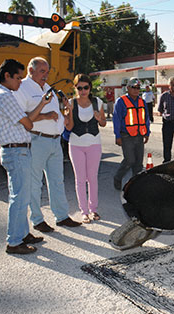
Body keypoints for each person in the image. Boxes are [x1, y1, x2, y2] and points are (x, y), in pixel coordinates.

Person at [0, 59, 50, 254]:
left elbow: (26, 120)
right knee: (20, 198)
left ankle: (22, 234)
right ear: (7, 76)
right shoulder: (4, 96)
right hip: (16, 151)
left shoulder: (0, 95)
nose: (20, 82)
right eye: (18, 77)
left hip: (15, 150)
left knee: (20, 195)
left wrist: (40, 106)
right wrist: (41, 105)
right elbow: (28, 124)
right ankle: (14, 241)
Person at [13, 57, 81, 233]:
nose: (46, 75)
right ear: (31, 71)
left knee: (57, 181)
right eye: (42, 71)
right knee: (35, 182)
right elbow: (20, 115)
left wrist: (66, 113)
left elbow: (57, 115)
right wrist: (45, 116)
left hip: (54, 141)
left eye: (47, 71)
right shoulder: (22, 88)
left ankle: (62, 216)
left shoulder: (48, 88)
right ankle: (37, 219)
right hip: (36, 140)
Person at [64, 74, 107, 224]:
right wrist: (67, 115)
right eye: (79, 88)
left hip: (94, 143)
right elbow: (69, 127)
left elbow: (103, 124)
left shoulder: (97, 102)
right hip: (76, 144)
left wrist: (99, 118)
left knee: (92, 178)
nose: (83, 91)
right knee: (80, 179)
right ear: (75, 88)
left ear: (90, 88)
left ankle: (93, 209)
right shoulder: (71, 103)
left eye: (86, 87)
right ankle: (84, 211)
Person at [112, 77, 150, 190]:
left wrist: (147, 132)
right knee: (130, 160)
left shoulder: (142, 102)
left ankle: (135, 185)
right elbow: (116, 119)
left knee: (138, 163)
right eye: (133, 87)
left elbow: (146, 118)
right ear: (128, 88)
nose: (136, 90)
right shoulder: (121, 101)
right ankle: (118, 177)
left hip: (139, 135)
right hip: (126, 135)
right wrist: (117, 136)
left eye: (138, 88)